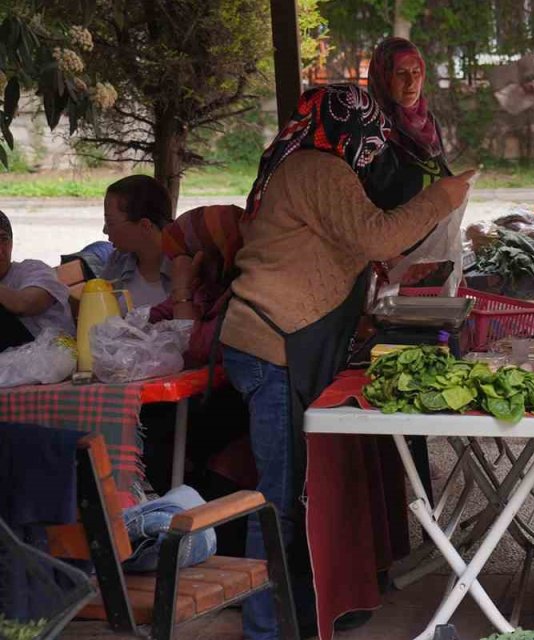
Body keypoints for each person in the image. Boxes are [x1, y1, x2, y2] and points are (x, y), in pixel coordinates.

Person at [220, 83, 474, 639]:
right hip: (271, 347)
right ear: (346, 130)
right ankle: (266, 627)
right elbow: (377, 237)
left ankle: (301, 608)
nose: (374, 145)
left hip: (276, 343)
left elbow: (348, 245)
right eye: (369, 134)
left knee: (293, 489)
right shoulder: (318, 169)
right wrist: (441, 199)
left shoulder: (305, 165)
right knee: (279, 496)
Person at [367, 36, 462, 290]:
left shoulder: (427, 124)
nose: (411, 83)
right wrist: (389, 260)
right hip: (389, 271)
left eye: (416, 72)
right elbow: (359, 208)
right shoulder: (369, 130)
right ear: (383, 76)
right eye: (401, 73)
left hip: (431, 264)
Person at [148, 205, 244, 368]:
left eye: (186, 254)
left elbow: (196, 348)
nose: (176, 264)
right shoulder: (203, 287)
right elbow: (155, 316)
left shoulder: (246, 295)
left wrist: (182, 291)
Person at [95, 175, 175, 308]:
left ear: (144, 226)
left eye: (110, 222)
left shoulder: (187, 266)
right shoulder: (117, 262)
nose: (105, 230)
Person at [0, 209, 75, 351]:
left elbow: (24, 304)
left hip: (54, 360)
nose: (0, 251)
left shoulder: (35, 270)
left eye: (4, 239)